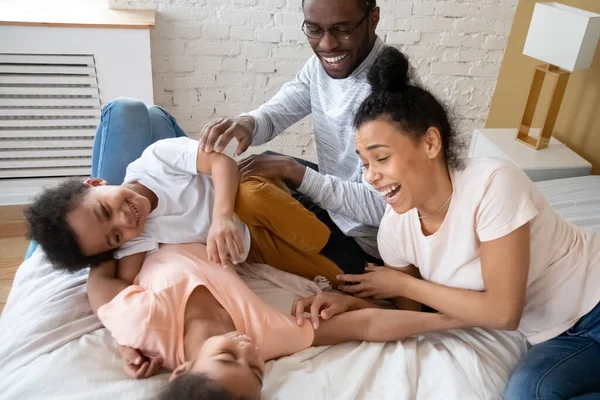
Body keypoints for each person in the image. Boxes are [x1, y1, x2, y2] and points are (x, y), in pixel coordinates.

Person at [293, 46, 600, 399]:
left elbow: (503, 312)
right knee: (527, 393)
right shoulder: (396, 230)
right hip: (555, 336)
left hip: (595, 297)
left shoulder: (493, 183)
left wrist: (403, 285)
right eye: (364, 164)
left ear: (430, 143)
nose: (370, 177)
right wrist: (352, 305)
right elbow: (410, 316)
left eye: (381, 158)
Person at [24, 98, 346, 284]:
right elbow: (117, 286)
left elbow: (223, 164)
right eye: (115, 237)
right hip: (218, 205)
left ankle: (159, 124)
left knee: (129, 111)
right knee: (150, 118)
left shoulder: (156, 158)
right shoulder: (138, 235)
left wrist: (221, 218)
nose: (124, 221)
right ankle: (158, 120)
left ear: (95, 181)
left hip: (183, 174)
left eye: (106, 212)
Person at [89, 242, 463, 400]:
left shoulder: (142, 326)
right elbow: (362, 326)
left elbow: (100, 278)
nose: (246, 348)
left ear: (181, 369)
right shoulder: (263, 338)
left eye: (227, 357)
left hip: (155, 224)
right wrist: (448, 320)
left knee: (129, 113)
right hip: (188, 219)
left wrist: (120, 334)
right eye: (256, 369)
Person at [199, 0, 387, 275]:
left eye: (342, 29)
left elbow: (381, 208)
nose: (326, 45)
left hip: (364, 244)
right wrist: (248, 123)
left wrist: (293, 171)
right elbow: (279, 111)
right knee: (261, 165)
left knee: (250, 195)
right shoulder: (323, 66)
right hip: (339, 208)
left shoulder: (389, 97)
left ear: (373, 19)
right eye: (314, 30)